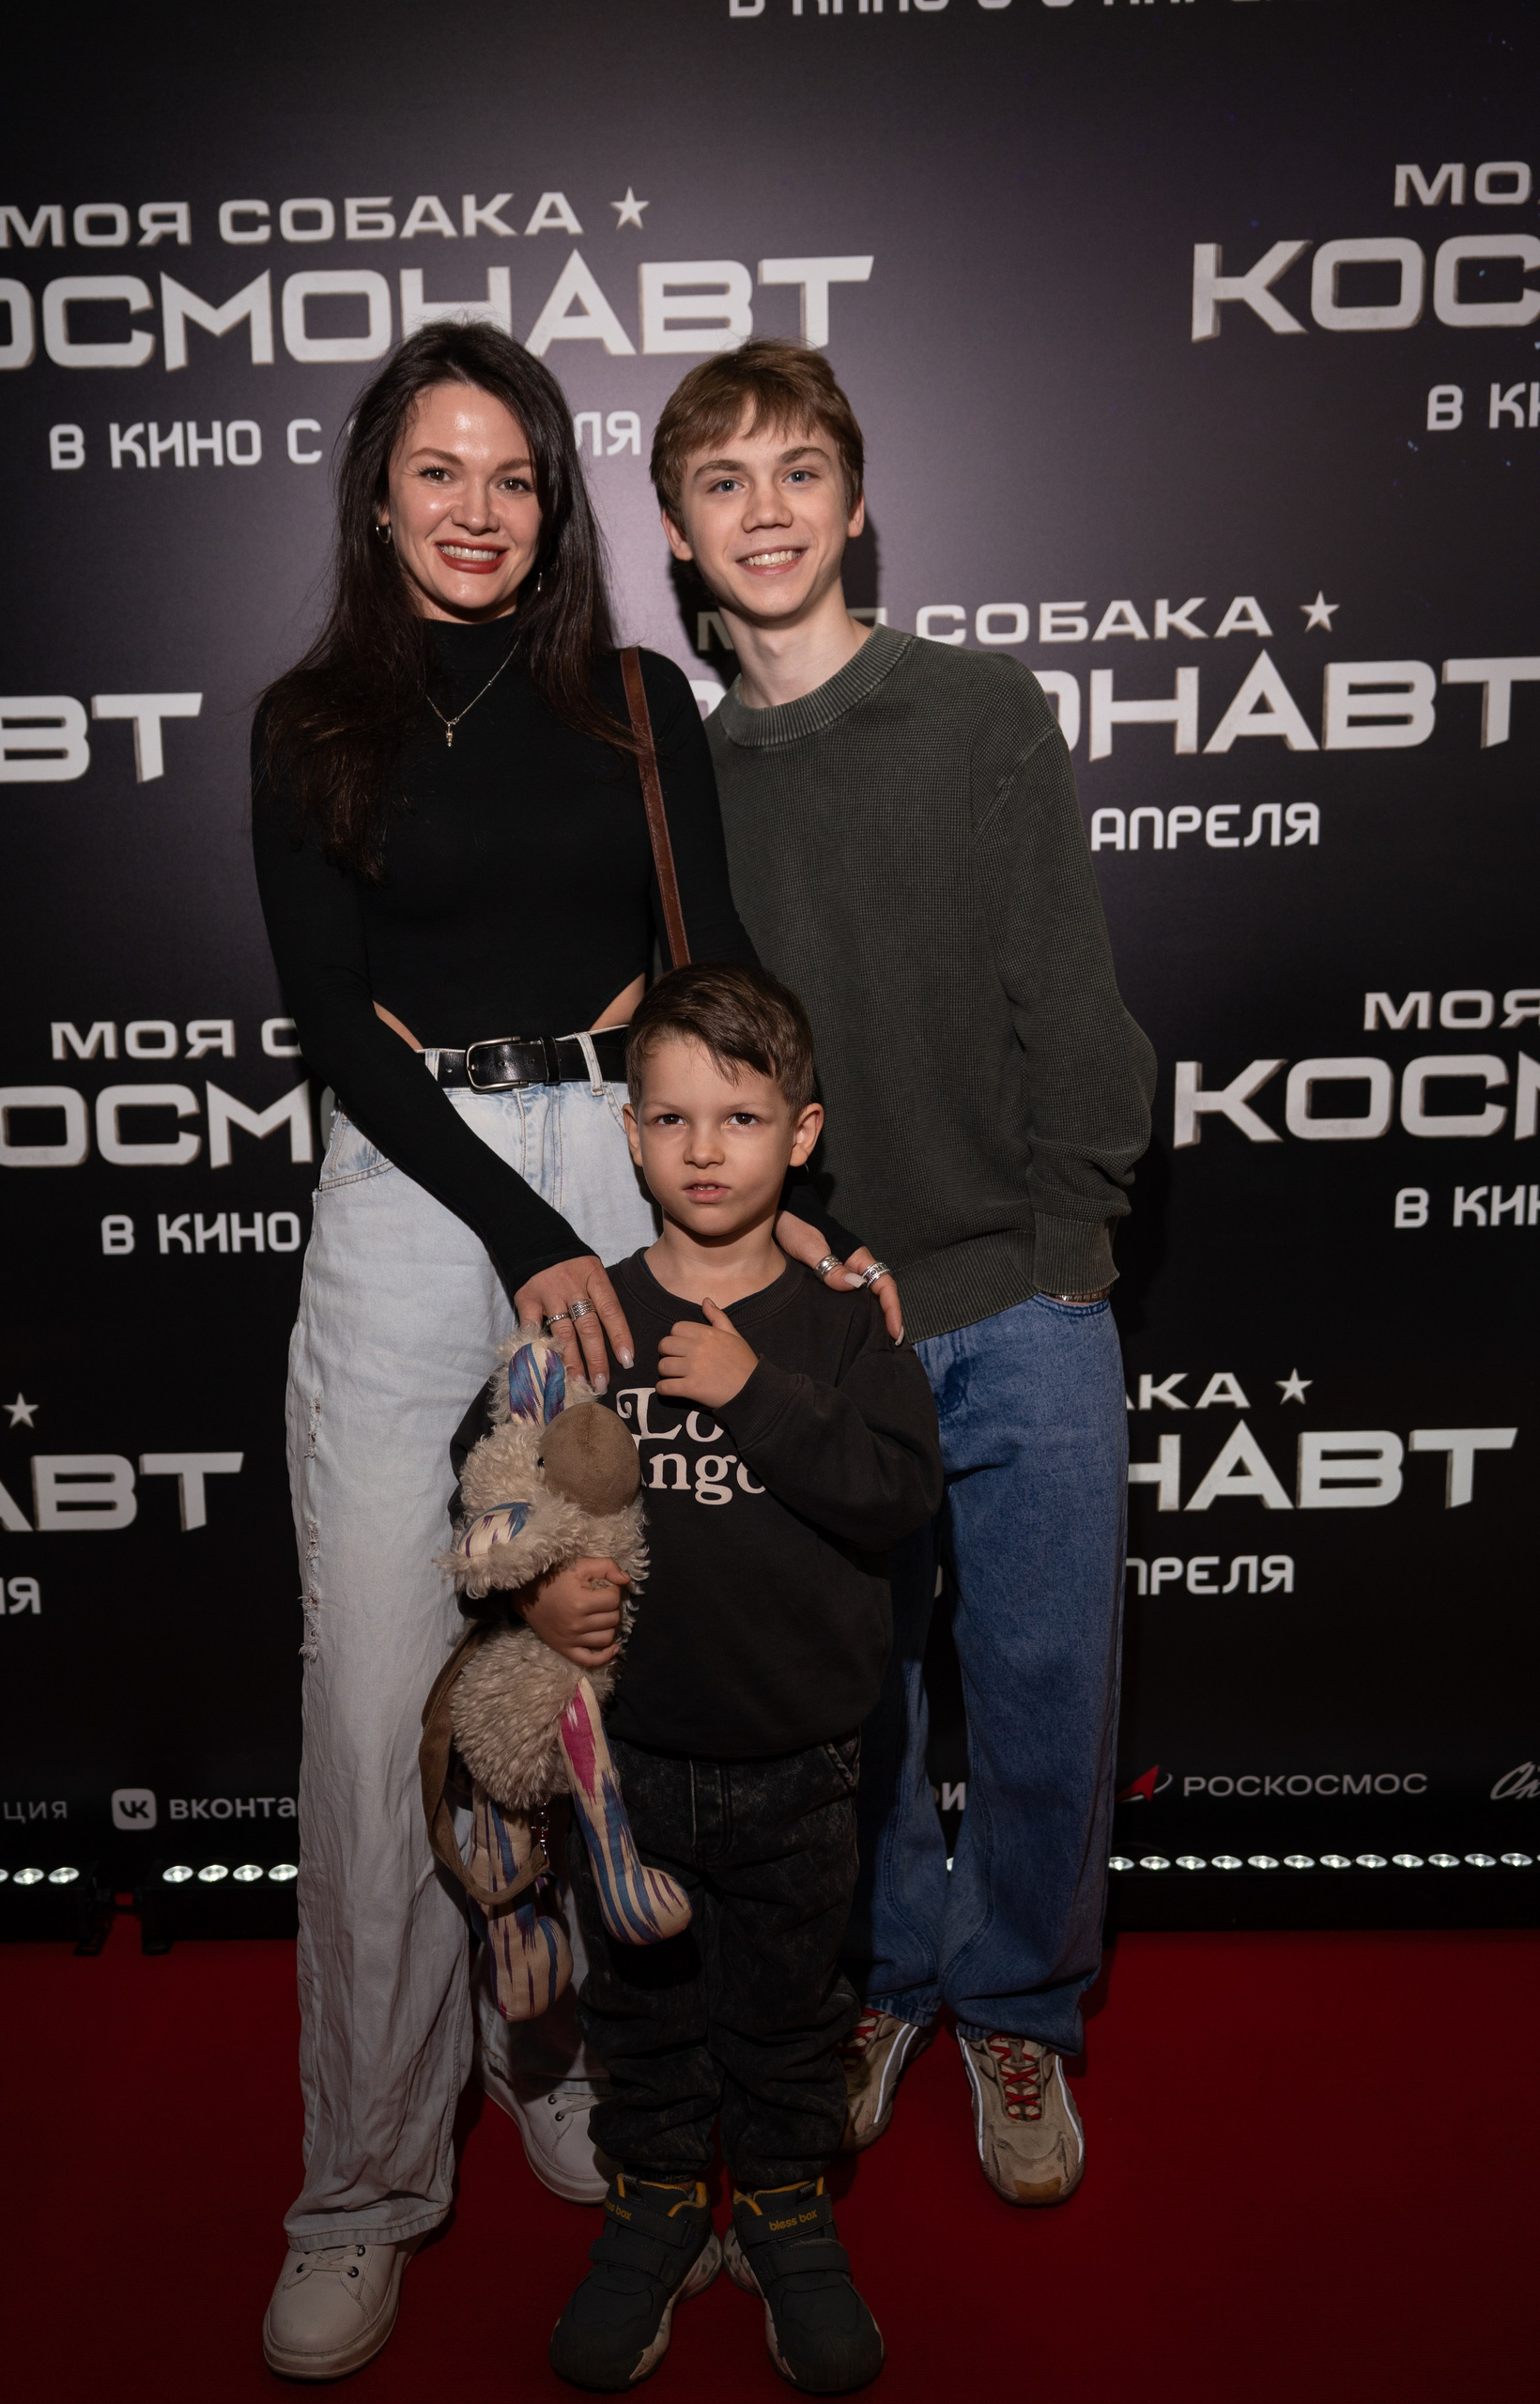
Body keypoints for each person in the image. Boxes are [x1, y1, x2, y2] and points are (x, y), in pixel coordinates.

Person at [247, 323, 858, 2382]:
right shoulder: (313, 719)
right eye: (438, 469)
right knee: (380, 1694)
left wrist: (793, 1210)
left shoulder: (636, 700)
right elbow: (333, 1022)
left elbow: (713, 968)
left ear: (552, 499)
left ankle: (568, 2064)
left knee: (601, 1665)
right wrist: (523, 1235)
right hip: (417, 1197)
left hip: (623, 1157)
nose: (477, 508)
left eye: (513, 473)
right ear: (379, 491)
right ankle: (362, 2182)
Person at [650, 342, 1156, 2207]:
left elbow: (1065, 995)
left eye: (800, 471)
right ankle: (882, 1976)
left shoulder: (981, 711)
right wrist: (769, 1250)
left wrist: (1072, 1239)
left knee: (1043, 1685)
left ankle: (1019, 2001)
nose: (766, 510)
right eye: (724, 482)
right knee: (849, 1711)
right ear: (680, 535)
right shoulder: (682, 781)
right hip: (823, 1318)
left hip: (1022, 1292)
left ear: (857, 504)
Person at [512, 963, 942, 2394]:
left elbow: (897, 1497)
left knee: (787, 2005)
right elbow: (499, 1485)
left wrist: (752, 1391)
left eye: (743, 1117)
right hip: (628, 1764)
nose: (706, 1149)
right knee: (641, 2009)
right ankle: (652, 2206)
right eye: (674, 1117)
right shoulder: (589, 1318)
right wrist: (539, 1584)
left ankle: (782, 2207)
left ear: (802, 1135)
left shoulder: (843, 1320)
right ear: (629, 1133)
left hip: (803, 1761)